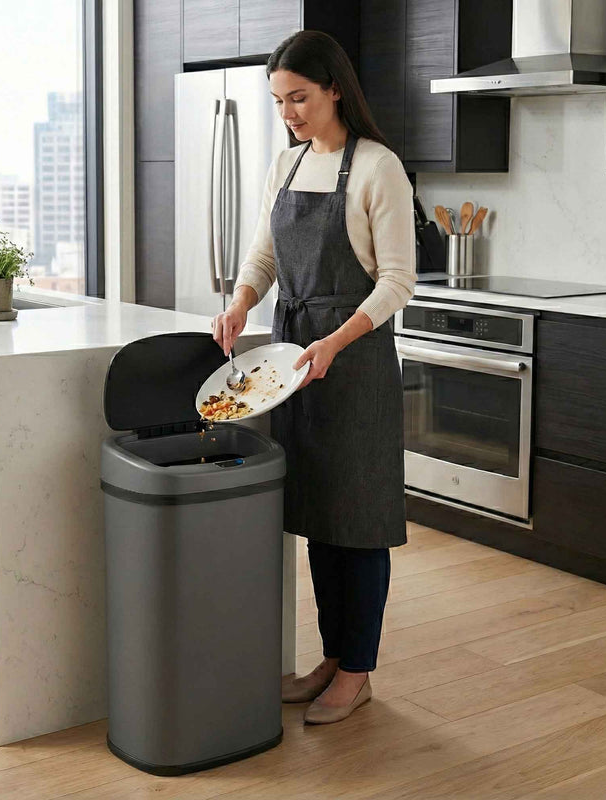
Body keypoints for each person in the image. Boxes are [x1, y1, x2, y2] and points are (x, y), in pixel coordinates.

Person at [211, 30, 416, 725]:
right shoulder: (287, 165)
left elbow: (396, 283)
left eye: (298, 97)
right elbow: (264, 255)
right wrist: (240, 302)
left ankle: (357, 672)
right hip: (296, 362)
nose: (289, 113)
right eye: (278, 101)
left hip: (351, 359)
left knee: (357, 520)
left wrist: (336, 338)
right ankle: (334, 657)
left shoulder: (377, 168)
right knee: (320, 516)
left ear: (334, 88)